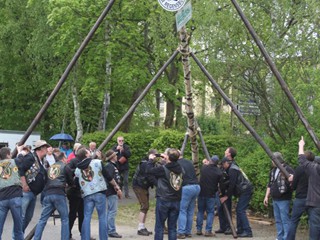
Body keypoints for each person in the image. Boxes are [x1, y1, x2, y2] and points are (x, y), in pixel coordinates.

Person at [75, 147, 121, 240]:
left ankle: (85, 238)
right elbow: (108, 176)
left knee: (87, 217)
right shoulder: (97, 162)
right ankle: (103, 238)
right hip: (99, 192)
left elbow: (76, 183)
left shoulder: (77, 169)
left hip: (87, 194)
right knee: (102, 217)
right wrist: (116, 186)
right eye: (88, 151)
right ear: (86, 154)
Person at [146, 148, 183, 240]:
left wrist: (150, 160)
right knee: (172, 227)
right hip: (176, 200)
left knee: (159, 226)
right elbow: (172, 166)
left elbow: (148, 171)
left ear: (168, 157)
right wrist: (167, 159)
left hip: (164, 199)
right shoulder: (181, 169)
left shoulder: (163, 169)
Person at [33, 151, 69, 240]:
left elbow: (46, 180)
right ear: (63, 158)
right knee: (64, 219)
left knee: (42, 220)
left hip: (48, 194)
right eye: (66, 158)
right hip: (59, 193)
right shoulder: (65, 166)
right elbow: (70, 180)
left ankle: (36, 238)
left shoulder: (50, 168)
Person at [220, 147, 253, 238]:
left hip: (245, 190)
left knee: (240, 210)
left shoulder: (232, 169)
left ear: (226, 163)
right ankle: (241, 230)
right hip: (244, 190)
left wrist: (226, 196)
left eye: (223, 165)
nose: (223, 167)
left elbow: (232, 184)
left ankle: (247, 231)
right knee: (239, 210)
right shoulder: (233, 166)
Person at [18, 140, 49, 233]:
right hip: (26, 192)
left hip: (34, 193)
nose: (47, 150)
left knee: (28, 217)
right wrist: (24, 184)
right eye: (46, 148)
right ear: (41, 149)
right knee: (21, 217)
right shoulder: (30, 157)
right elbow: (20, 169)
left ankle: (20, 234)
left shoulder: (42, 160)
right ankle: (17, 236)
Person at [263, 152, 294, 240]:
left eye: (273, 160)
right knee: (278, 220)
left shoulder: (288, 169)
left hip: (284, 199)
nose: (272, 162)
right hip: (275, 198)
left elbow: (293, 183)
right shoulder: (273, 171)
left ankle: (286, 237)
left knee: (285, 220)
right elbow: (269, 184)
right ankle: (280, 237)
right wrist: (266, 196)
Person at [287, 150, 314, 240]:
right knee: (313, 222)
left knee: (293, 221)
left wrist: (292, 180)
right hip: (312, 198)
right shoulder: (316, 168)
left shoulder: (299, 169)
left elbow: (294, 186)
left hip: (300, 198)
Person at [298, 137, 320, 239]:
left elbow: (302, 160)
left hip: (315, 204)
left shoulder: (314, 169)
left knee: (315, 229)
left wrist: (301, 145)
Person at [0, 146, 24, 240]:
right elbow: (21, 159)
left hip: (2, 197)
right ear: (8, 155)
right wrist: (19, 151)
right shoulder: (14, 161)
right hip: (15, 196)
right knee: (18, 228)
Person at [132, 149, 157, 236]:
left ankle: (142, 227)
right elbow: (149, 174)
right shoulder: (145, 163)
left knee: (146, 206)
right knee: (144, 206)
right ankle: (140, 228)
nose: (155, 157)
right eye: (154, 155)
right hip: (139, 186)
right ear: (150, 155)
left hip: (143, 186)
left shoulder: (149, 163)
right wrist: (157, 184)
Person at [196, 155, 222, 237]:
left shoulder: (204, 168)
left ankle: (199, 229)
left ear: (210, 161)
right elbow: (220, 184)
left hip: (201, 193)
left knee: (200, 211)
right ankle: (208, 230)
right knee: (210, 212)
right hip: (211, 194)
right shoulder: (219, 172)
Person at [177, 152, 200, 239]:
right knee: (190, 211)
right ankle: (188, 232)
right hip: (196, 186)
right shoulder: (189, 162)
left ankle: (181, 232)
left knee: (182, 210)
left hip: (187, 187)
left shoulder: (177, 163)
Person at [104, 150, 123, 238]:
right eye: (115, 155)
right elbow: (110, 178)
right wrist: (117, 188)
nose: (116, 156)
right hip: (111, 191)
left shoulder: (113, 165)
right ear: (112, 157)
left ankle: (109, 229)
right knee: (112, 211)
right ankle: (111, 230)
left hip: (113, 190)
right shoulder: (109, 166)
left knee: (111, 211)